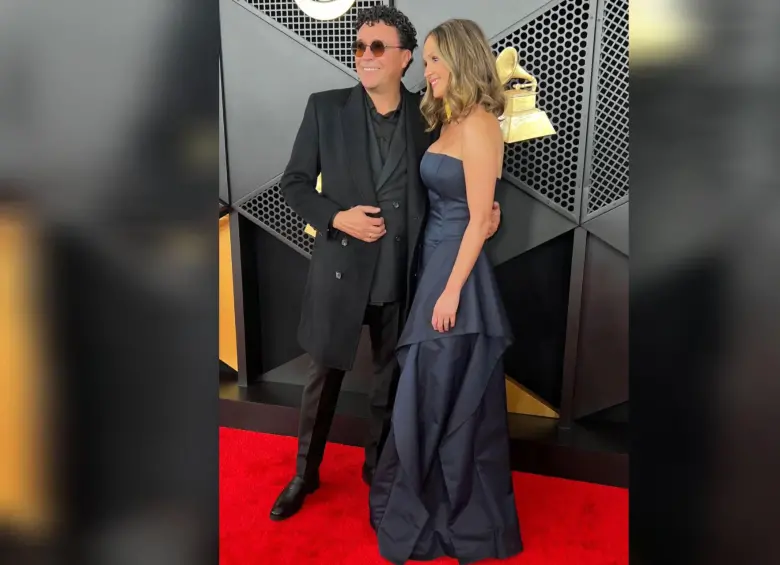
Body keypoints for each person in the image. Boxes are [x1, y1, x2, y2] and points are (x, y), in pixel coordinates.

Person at [271, 6, 502, 521]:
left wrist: (484, 210)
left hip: (406, 277)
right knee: (321, 382)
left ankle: (380, 474)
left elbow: (457, 180)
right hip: (341, 273)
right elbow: (293, 185)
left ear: (404, 58)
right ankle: (303, 475)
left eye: (378, 48)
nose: (365, 57)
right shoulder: (324, 108)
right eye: (359, 46)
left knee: (389, 388)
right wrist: (339, 218)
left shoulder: (431, 116)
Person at [368, 19, 524, 564]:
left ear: (460, 60)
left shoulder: (481, 124)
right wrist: (480, 226)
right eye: (426, 59)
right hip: (434, 263)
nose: (427, 70)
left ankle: (450, 513)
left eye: (434, 60)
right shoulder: (452, 120)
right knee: (432, 386)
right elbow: (477, 214)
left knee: (440, 390)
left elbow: (479, 215)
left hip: (454, 277)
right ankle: (425, 498)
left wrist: (452, 292)